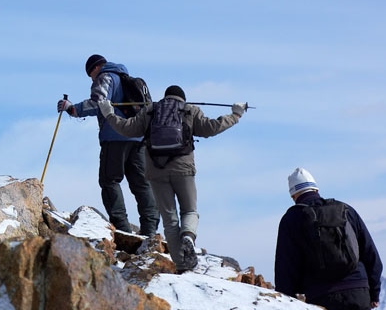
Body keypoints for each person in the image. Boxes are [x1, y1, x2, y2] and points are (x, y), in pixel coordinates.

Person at [96, 85, 246, 273]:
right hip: (183, 169)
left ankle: (182, 266)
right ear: (182, 99)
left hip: (156, 172)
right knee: (189, 210)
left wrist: (109, 113)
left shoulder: (150, 110)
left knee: (170, 219)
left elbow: (127, 129)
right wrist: (235, 115)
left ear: (166, 97)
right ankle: (188, 237)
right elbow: (211, 128)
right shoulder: (190, 111)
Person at [56, 54, 159, 236]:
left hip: (115, 137)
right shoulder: (128, 79)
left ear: (95, 68)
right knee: (141, 183)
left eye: (90, 75)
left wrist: (72, 109)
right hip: (138, 137)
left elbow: (99, 103)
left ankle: (122, 228)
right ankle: (150, 230)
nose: (92, 79)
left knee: (109, 180)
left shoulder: (105, 77)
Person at [275, 168, 382, 310]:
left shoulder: (291, 219)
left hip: (322, 297)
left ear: (293, 196)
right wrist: (374, 293)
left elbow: (285, 269)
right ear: (316, 189)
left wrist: (288, 301)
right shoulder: (346, 210)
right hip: (359, 292)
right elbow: (371, 256)